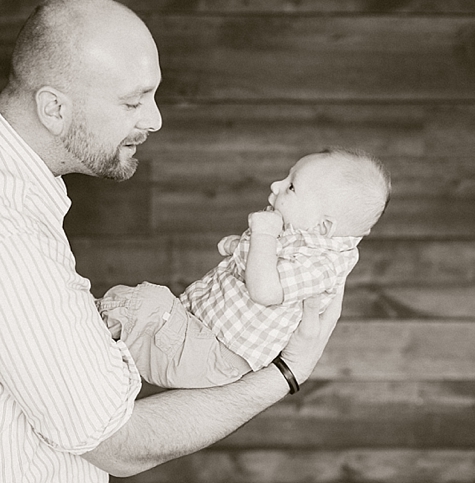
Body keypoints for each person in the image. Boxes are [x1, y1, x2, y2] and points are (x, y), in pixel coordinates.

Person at [0, 0, 343, 483]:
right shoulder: (0, 235)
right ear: (54, 109)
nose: (154, 120)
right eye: (133, 101)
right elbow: (120, 445)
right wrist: (286, 372)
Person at [98, 148, 391, 388]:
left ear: (323, 226)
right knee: (143, 312)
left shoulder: (322, 265)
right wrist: (238, 246)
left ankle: (92, 330)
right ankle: (100, 338)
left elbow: (265, 290)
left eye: (291, 186)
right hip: (197, 329)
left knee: (148, 303)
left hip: (213, 354)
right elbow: (257, 259)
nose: (275, 186)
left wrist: (262, 236)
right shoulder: (301, 237)